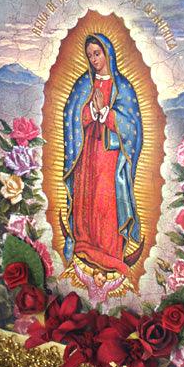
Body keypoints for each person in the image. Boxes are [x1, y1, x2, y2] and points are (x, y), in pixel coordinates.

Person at [62, 33, 143, 276]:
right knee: (86, 197)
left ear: (108, 53)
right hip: (86, 152)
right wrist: (90, 110)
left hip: (109, 156)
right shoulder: (83, 84)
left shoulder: (123, 87)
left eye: (97, 54)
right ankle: (84, 244)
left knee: (106, 200)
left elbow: (132, 126)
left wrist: (107, 113)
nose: (94, 59)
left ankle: (110, 252)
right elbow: (71, 115)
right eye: (90, 56)